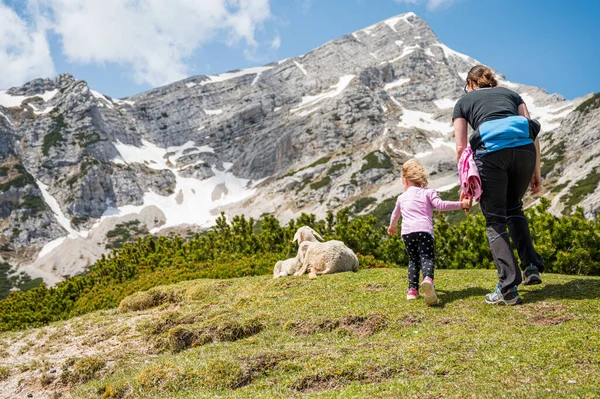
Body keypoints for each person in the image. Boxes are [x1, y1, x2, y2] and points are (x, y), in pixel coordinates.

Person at [453, 64, 545, 306]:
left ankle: (508, 288)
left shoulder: (464, 102)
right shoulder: (512, 95)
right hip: (525, 152)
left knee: (495, 221)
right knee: (514, 208)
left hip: (492, 153)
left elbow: (462, 148)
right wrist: (536, 170)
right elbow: (530, 130)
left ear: (470, 84)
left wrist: (466, 184)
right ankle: (531, 266)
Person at [387, 159, 471, 305]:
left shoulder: (401, 197)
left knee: (413, 260)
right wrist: (461, 204)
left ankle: (412, 291)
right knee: (426, 258)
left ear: (405, 181)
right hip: (424, 230)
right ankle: (427, 279)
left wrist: (392, 226)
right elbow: (441, 205)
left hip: (407, 233)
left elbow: (395, 214)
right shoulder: (428, 192)